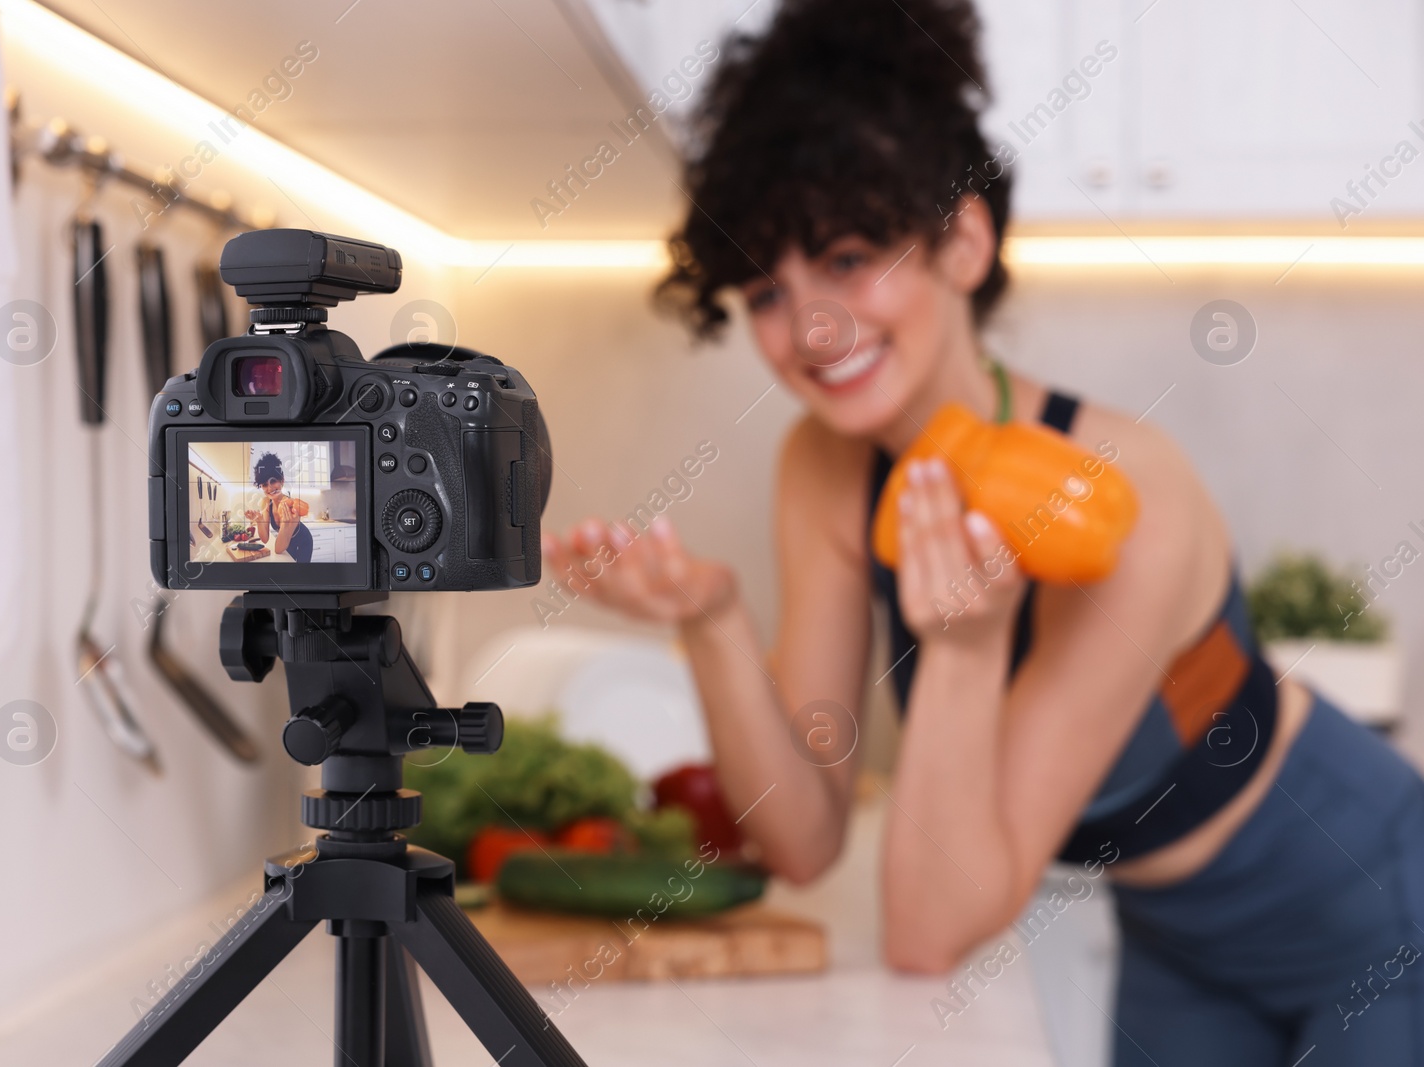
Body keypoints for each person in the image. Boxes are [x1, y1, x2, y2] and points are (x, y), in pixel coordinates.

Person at [542, 0, 1424, 1062]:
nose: (811, 328)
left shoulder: (1120, 494)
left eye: (849, 254)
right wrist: (715, 625)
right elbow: (806, 839)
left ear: (963, 239)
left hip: (1362, 896)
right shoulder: (824, 470)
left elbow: (929, 926)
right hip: (1170, 933)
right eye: (768, 288)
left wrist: (960, 644)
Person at [244, 451, 312, 564]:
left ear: (282, 481)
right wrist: (259, 520)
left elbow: (278, 549)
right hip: (288, 540)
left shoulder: (291, 507)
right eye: (264, 485)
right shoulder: (266, 503)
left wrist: (285, 524)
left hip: (304, 541)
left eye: (273, 481)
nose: (269, 488)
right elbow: (265, 538)